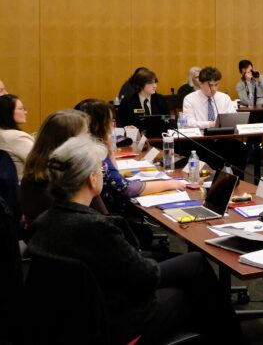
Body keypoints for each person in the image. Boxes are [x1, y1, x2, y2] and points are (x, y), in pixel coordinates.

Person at [25, 135, 244, 344]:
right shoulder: (96, 228)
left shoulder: (44, 221)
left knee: (193, 264)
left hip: (68, 322)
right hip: (114, 325)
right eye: (101, 169)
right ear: (91, 178)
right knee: (195, 289)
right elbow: (144, 278)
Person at [74, 99, 186, 217]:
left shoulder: (85, 146)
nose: (113, 125)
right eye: (110, 121)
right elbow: (124, 188)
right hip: (111, 218)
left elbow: (114, 172)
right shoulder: (93, 154)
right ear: (99, 124)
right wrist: (170, 184)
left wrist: (109, 147)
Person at [20, 109, 105, 236]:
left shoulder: (34, 172)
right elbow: (103, 223)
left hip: (40, 243)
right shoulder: (71, 179)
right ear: (70, 142)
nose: (90, 138)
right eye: (86, 133)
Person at [181, 66, 248, 172]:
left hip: (222, 137)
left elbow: (232, 116)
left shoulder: (224, 97)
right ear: (201, 83)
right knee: (210, 154)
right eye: (210, 85)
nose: (214, 89)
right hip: (201, 139)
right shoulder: (190, 99)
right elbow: (188, 122)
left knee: (241, 149)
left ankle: (236, 182)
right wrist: (209, 124)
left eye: (216, 85)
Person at [0, 94, 34, 180]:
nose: (25, 112)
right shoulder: (18, 138)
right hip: (24, 187)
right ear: (7, 112)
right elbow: (40, 164)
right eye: (21, 109)